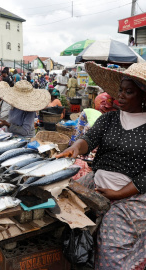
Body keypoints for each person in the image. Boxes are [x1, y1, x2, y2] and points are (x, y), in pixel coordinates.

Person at [57, 61, 146, 270]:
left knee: (109, 241)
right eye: (120, 90)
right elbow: (89, 139)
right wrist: (76, 148)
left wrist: (119, 193)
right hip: (96, 184)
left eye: (129, 92)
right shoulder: (110, 119)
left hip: (133, 193)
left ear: (144, 96)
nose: (121, 96)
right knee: (63, 212)